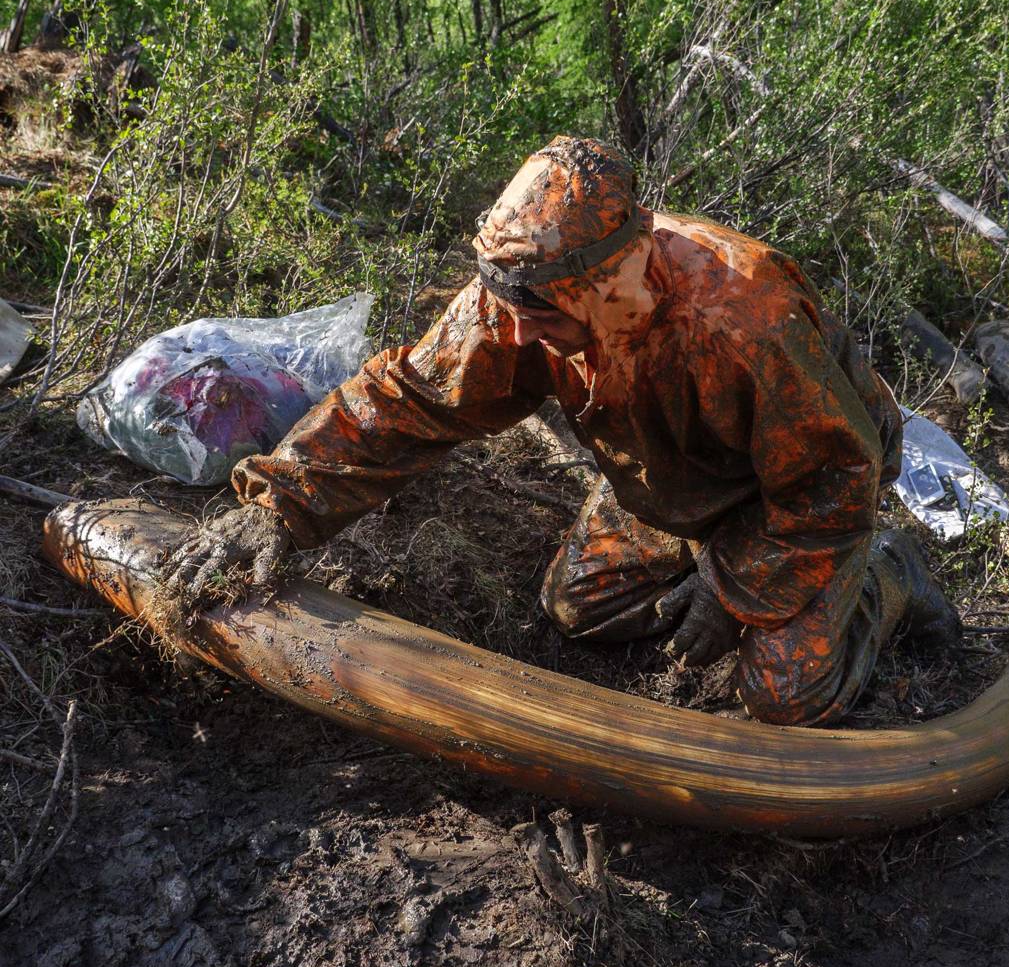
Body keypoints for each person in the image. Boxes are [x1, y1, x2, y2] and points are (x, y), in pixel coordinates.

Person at [162, 135, 960, 726]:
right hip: (671, 484)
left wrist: (733, 583)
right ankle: (708, 550)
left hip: (803, 500)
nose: (524, 341)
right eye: (518, 319)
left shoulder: (746, 315)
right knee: (578, 605)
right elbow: (410, 398)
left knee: (785, 695)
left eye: (548, 321)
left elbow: (833, 479)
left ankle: (889, 575)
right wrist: (280, 503)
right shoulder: (520, 302)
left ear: (624, 268)